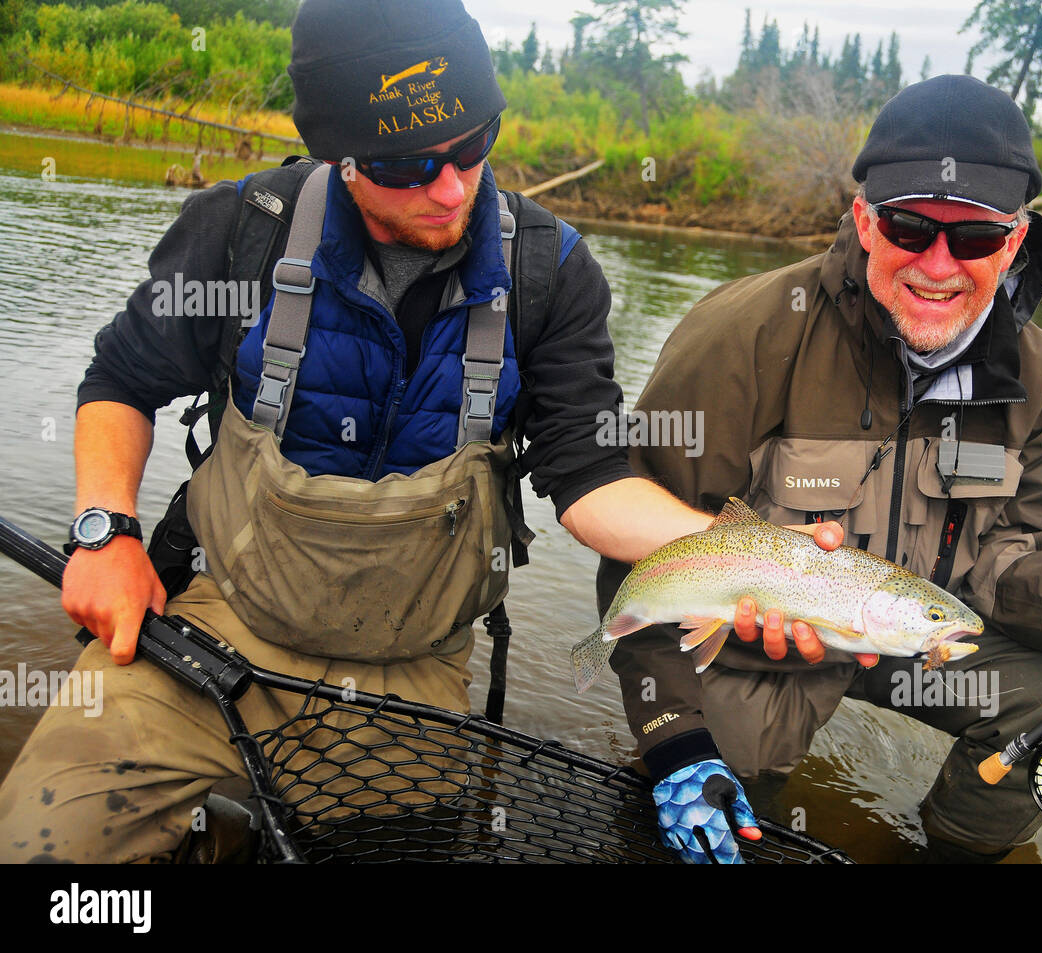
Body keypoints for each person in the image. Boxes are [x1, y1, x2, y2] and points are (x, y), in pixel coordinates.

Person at [0, 0, 761, 864]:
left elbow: (589, 482)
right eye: (406, 164)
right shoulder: (241, 231)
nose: (451, 189)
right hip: (211, 628)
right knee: (43, 855)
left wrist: (750, 556)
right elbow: (118, 385)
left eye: (474, 145)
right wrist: (106, 530)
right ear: (339, 154)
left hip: (412, 670)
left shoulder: (549, 273)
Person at [597, 74, 1042, 863]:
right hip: (764, 648)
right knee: (709, 813)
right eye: (911, 227)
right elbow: (643, 557)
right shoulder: (742, 336)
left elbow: (1017, 562)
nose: (939, 264)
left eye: (974, 237)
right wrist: (674, 739)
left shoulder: (1038, 375)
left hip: (922, 636)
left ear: (1014, 240)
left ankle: (950, 851)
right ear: (864, 221)